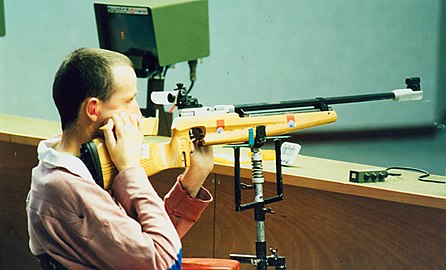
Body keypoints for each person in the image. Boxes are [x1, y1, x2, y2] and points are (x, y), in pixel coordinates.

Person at [26, 48, 214, 269]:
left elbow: (149, 240)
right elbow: (165, 260)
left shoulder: (71, 168)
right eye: (129, 101)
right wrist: (131, 169)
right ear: (94, 108)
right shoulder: (66, 185)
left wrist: (194, 178)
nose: (137, 113)